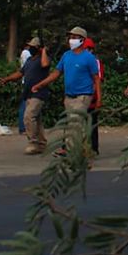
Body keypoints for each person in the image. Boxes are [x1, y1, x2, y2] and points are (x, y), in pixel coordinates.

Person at [31, 27, 101, 160]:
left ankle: (72, 153)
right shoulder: (66, 56)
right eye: (70, 37)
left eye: (74, 37)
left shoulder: (89, 58)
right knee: (71, 124)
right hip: (69, 96)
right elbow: (56, 73)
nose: (71, 40)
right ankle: (81, 150)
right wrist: (40, 84)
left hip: (84, 95)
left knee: (75, 123)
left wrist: (98, 99)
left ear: (82, 40)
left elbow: (96, 78)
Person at [0, 38, 49, 154]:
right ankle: (41, 143)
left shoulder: (42, 60)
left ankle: (33, 142)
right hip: (28, 93)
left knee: (29, 116)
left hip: (39, 93)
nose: (30, 48)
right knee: (37, 119)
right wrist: (7, 79)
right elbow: (20, 73)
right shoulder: (30, 61)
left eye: (33, 47)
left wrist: (44, 51)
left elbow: (46, 64)